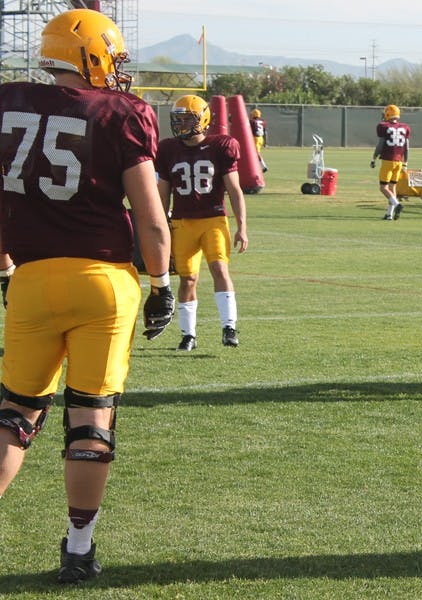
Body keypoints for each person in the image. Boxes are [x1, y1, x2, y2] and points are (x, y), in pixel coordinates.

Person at [0, 8, 174, 583]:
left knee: (14, 418)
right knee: (90, 422)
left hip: (30, 280)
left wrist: (5, 270)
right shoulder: (122, 114)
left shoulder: (9, 105)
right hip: (102, 282)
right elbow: (151, 219)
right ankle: (78, 549)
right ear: (91, 55)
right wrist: (161, 284)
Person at [156, 94, 249, 352]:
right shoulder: (167, 149)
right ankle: (188, 335)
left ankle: (229, 326)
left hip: (213, 219)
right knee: (188, 279)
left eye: (188, 119)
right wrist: (160, 226)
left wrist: (242, 226)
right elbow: (162, 194)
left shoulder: (221, 146)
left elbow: (235, 190)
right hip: (182, 223)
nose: (182, 124)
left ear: (203, 119)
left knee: (219, 268)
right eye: (179, 119)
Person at [371, 104, 410, 221]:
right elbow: (407, 147)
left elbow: (380, 144)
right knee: (392, 188)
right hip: (399, 161)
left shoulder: (383, 126)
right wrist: (405, 162)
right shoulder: (405, 127)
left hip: (388, 160)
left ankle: (397, 205)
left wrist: (374, 157)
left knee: (383, 188)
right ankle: (389, 214)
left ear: (388, 114)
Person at [249, 108, 268, 173]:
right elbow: (265, 132)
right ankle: (256, 167)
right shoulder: (263, 121)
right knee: (254, 153)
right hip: (261, 138)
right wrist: (265, 142)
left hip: (255, 138)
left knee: (256, 153)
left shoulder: (252, 121)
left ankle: (263, 166)